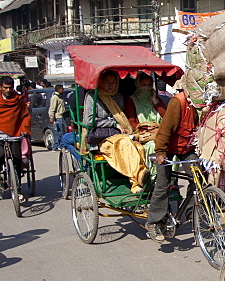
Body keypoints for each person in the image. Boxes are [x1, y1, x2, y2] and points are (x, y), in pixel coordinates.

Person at [145, 89, 199, 242]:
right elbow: (165, 128)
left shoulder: (199, 104)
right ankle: (154, 222)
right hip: (167, 147)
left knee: (199, 178)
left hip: (186, 148)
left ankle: (190, 212)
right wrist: (160, 152)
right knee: (163, 183)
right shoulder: (178, 102)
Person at [83, 71, 148, 193]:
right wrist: (113, 123)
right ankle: (137, 180)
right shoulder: (93, 96)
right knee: (124, 143)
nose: (110, 85)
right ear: (101, 82)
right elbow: (89, 121)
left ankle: (143, 177)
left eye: (113, 82)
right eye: (106, 82)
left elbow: (121, 116)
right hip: (101, 137)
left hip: (118, 133)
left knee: (138, 147)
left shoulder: (118, 96)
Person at [0, 75, 31, 201]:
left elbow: (25, 115)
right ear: (0, 88)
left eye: (10, 88)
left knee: (17, 160)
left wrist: (25, 129)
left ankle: (17, 188)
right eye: (6, 88)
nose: (8, 90)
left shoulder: (18, 99)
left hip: (14, 134)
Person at [124, 73, 167, 158]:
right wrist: (148, 129)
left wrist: (155, 102)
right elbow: (131, 122)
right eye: (143, 85)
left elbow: (166, 117)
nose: (146, 88)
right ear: (138, 85)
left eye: (149, 85)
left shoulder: (157, 100)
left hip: (160, 132)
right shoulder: (131, 100)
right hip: (144, 135)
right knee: (153, 146)